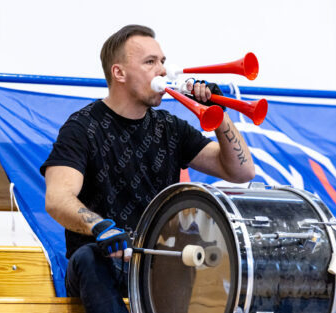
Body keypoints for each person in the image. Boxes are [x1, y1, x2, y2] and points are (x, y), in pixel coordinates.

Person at [40, 24, 255, 313]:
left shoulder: (170, 127)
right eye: (150, 62)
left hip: (153, 262)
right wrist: (99, 227)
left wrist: (219, 113)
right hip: (101, 259)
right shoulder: (81, 128)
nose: (163, 71)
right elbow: (57, 199)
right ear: (119, 73)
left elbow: (241, 172)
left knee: (187, 250)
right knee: (89, 257)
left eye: (163, 61)